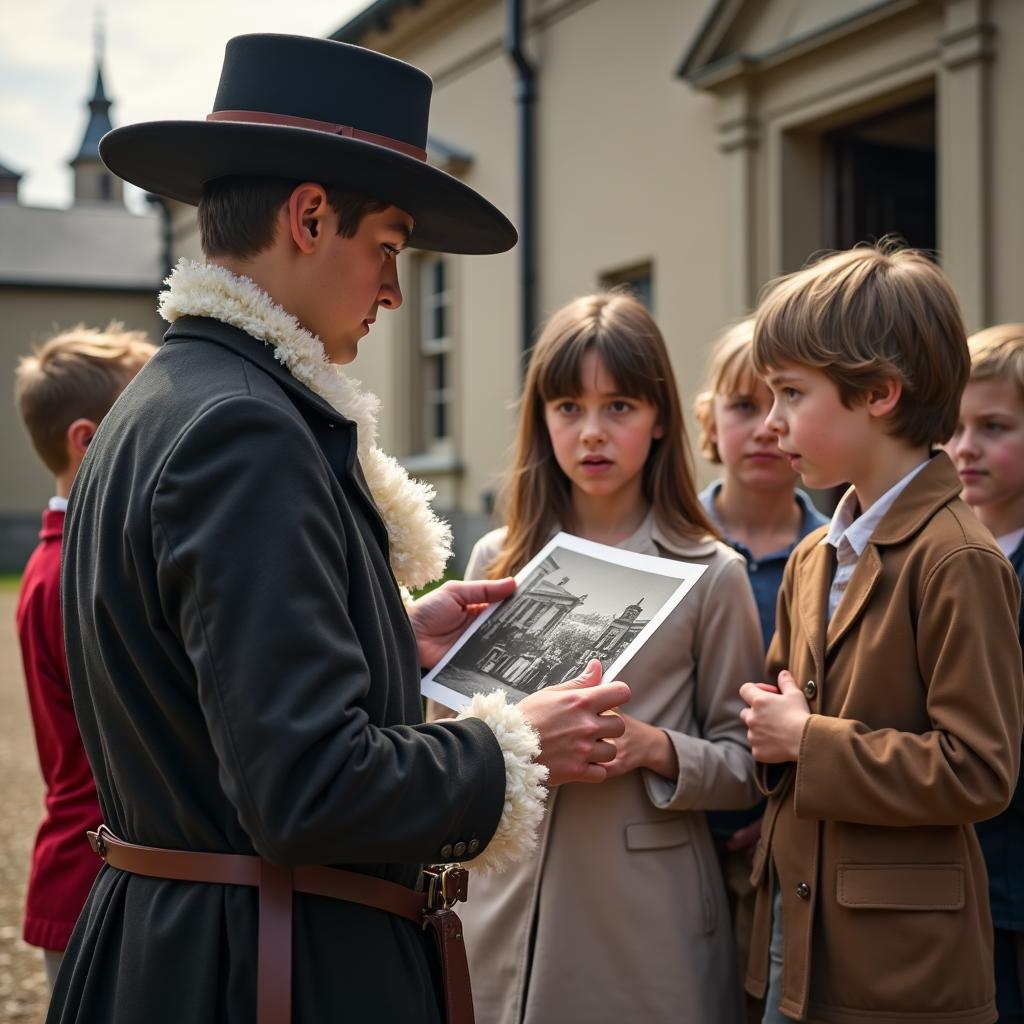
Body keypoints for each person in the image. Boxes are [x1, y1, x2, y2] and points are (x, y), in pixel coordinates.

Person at [49, 35, 631, 1024]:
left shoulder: (168, 396)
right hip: (260, 968)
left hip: (184, 946)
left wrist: (386, 640)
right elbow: (305, 787)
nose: (396, 293)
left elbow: (201, 681)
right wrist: (513, 745)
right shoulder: (244, 427)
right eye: (390, 250)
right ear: (311, 216)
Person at [431, 292, 764, 1023]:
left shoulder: (713, 572)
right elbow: (442, 739)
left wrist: (657, 748)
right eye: (567, 408)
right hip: (499, 907)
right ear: (540, 419)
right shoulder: (496, 558)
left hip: (647, 921)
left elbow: (750, 767)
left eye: (619, 407)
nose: (592, 433)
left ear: (662, 420)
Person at [740, 243, 1024, 1024]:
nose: (772, 423)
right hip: (790, 935)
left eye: (792, 393)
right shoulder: (811, 554)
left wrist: (807, 740)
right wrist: (769, 728)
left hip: (903, 971)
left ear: (880, 394)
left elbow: (980, 770)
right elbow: (781, 722)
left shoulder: (958, 557)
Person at [13, 324, 155, 993]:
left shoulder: (62, 561)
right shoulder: (80, 568)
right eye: (146, 420)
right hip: (93, 883)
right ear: (88, 440)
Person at [694, 317, 827, 1023]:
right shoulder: (674, 546)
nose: (766, 428)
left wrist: (777, 814)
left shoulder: (836, 553)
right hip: (679, 836)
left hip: (790, 847)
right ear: (708, 421)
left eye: (781, 404)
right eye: (743, 407)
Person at [947, 322, 1024, 1024]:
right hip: (948, 876)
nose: (967, 447)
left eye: (995, 426)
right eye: (957, 425)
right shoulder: (936, 554)